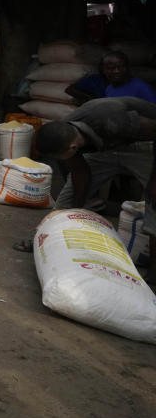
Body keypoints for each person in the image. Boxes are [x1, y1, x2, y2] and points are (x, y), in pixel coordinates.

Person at [30, 97, 156, 282]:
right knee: (68, 197)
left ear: (72, 147)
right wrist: (75, 212)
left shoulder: (111, 120)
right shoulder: (65, 134)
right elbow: (81, 172)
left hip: (143, 145)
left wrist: (154, 182)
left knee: (154, 203)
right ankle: (46, 240)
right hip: (106, 148)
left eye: (61, 157)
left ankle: (153, 273)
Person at [65, 51, 156, 105]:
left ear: (128, 67)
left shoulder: (142, 88)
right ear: (103, 70)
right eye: (110, 68)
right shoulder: (110, 88)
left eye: (120, 67)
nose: (116, 71)